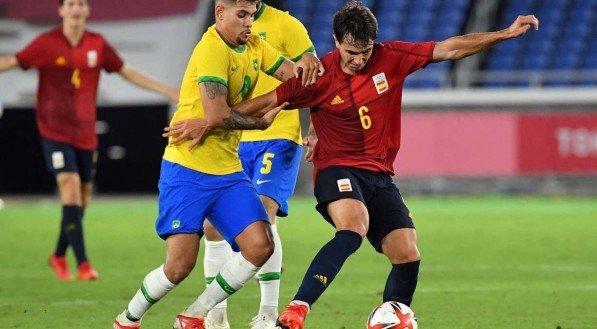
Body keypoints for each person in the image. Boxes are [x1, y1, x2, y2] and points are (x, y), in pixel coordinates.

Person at [165, 2, 539, 328]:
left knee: (407, 254)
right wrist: (208, 120)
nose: (358, 60)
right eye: (350, 53)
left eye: (364, 52)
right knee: (353, 228)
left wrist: (506, 33)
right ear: (335, 42)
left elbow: (449, 49)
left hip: (379, 175)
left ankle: (390, 318)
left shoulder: (391, 57)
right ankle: (296, 310)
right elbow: (263, 103)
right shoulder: (319, 75)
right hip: (336, 169)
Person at [112, 0, 322, 328]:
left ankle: (197, 314)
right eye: (241, 15)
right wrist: (258, 120)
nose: (249, 23)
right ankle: (128, 318)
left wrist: (313, 72)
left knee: (260, 244)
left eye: (252, 15)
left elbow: (292, 79)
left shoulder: (255, 44)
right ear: (219, 13)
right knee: (179, 267)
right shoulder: (211, 48)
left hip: (227, 171)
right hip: (188, 170)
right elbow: (219, 114)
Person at [0, 0, 179, 282]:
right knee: (70, 189)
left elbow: (125, 70)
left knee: (81, 199)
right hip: (54, 132)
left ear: (86, 10)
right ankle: (83, 264)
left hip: (84, 134)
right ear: (61, 11)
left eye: (81, 3)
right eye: (70, 3)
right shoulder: (46, 43)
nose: (76, 8)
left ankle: (58, 255)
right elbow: (11, 61)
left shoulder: (97, 43)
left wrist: (166, 90)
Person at [196, 1, 322, 329]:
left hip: (278, 135)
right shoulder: (222, 35)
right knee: (212, 225)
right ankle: (216, 314)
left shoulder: (287, 26)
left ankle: (267, 313)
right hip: (236, 135)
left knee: (262, 216)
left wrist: (315, 126)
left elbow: (314, 74)